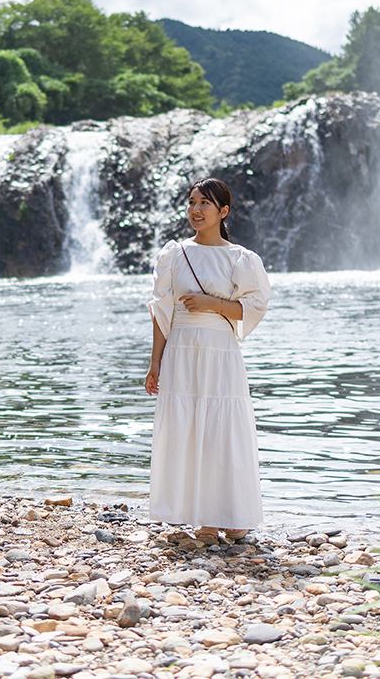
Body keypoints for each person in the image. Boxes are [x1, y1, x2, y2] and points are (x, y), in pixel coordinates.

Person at [144, 177, 272, 542]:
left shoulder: (241, 259)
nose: (196, 210)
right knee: (185, 428)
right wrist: (155, 363)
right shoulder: (174, 254)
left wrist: (212, 304)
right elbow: (160, 312)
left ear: (223, 211)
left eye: (205, 203)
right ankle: (203, 517)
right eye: (192, 202)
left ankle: (231, 513)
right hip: (181, 349)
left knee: (221, 429)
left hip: (220, 350)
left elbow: (253, 307)